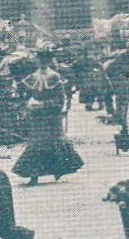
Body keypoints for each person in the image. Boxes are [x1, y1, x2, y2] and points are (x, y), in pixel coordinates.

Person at [12, 48, 84, 185]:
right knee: (36, 143)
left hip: (52, 116)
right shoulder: (31, 78)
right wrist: (27, 105)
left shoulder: (55, 77)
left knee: (54, 141)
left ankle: (59, 169)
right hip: (36, 117)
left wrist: (44, 104)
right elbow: (23, 95)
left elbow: (60, 100)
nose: (42, 63)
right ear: (37, 60)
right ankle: (34, 175)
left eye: (45, 60)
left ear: (49, 61)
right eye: (40, 60)